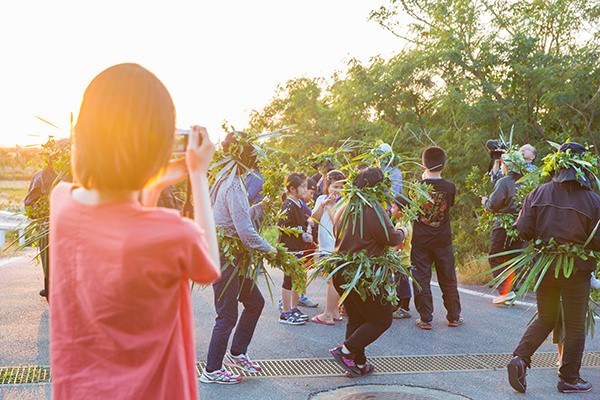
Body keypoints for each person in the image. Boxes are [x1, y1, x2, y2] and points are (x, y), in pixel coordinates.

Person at [49, 63, 221, 399]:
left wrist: (151, 182)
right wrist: (198, 175)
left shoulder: (62, 203)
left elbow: (122, 223)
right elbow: (209, 267)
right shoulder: (174, 234)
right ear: (156, 148)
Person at [507, 142, 600, 394]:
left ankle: (519, 358)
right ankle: (569, 378)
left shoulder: (538, 193)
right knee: (574, 323)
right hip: (576, 271)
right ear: (583, 167)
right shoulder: (593, 200)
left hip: (544, 266)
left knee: (547, 317)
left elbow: (523, 230)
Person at [202, 131, 276, 384]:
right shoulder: (232, 183)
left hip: (235, 257)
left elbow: (236, 217)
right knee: (227, 315)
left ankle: (237, 352)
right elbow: (244, 231)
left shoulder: (230, 179)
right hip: (226, 256)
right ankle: (211, 370)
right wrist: (271, 249)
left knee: (254, 302)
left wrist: (258, 208)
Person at [329, 167, 405, 377]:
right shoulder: (371, 207)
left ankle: (357, 363)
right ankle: (344, 351)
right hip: (364, 274)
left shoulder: (343, 206)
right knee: (382, 319)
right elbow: (391, 238)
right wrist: (402, 231)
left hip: (342, 270)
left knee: (357, 319)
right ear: (378, 187)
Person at [411, 146, 462, 330]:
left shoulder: (416, 187)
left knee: (421, 278)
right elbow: (451, 205)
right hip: (443, 240)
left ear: (423, 164)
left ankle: (425, 318)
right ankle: (454, 316)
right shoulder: (449, 187)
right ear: (443, 164)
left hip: (420, 241)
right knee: (448, 278)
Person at [482, 151, 526, 305]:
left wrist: (485, 202)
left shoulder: (504, 182)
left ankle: (505, 292)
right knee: (512, 258)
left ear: (507, 165)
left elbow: (494, 205)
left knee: (495, 256)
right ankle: (510, 291)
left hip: (504, 225)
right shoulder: (528, 182)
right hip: (522, 226)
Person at [311, 170, 346, 325]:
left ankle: (328, 314)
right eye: (334, 186)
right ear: (327, 186)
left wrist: (331, 207)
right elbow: (314, 219)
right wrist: (324, 205)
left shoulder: (344, 202)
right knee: (331, 280)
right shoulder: (321, 199)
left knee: (332, 280)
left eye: (340, 186)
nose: (337, 190)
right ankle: (334, 311)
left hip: (336, 247)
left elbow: (339, 224)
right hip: (324, 245)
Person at [278, 172, 312, 325]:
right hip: (290, 249)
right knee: (288, 279)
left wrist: (305, 231)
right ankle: (285, 312)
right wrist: (299, 232)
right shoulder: (288, 204)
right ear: (292, 189)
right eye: (302, 187)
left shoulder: (299, 204)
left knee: (297, 278)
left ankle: (293, 308)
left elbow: (303, 223)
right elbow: (281, 226)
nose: (305, 190)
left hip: (298, 248)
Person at [390, 195, 412, 319]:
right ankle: (398, 305)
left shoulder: (403, 225)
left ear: (401, 210)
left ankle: (405, 308)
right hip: (400, 259)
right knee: (398, 283)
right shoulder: (401, 222)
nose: (391, 210)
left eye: (393, 207)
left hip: (402, 260)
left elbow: (398, 244)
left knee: (402, 284)